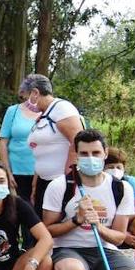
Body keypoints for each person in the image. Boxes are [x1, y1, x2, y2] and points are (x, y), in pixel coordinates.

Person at [41, 130, 135, 270]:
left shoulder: (121, 188)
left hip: (104, 249)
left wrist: (98, 227)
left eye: (95, 153)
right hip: (68, 249)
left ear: (105, 153)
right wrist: (76, 220)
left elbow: (118, 237)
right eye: (84, 154)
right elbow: (47, 230)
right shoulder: (60, 185)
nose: (90, 158)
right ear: (76, 154)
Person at [23, 73, 83, 213]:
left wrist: (68, 181)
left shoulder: (62, 109)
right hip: (43, 181)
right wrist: (35, 184)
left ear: (35, 93)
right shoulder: (44, 114)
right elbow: (41, 152)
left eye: (26, 98)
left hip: (60, 182)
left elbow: (77, 144)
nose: (26, 103)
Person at [0, 79, 42, 197]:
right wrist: (7, 172)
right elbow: (3, 143)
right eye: (32, 92)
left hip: (41, 173)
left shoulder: (48, 113)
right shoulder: (13, 111)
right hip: (16, 171)